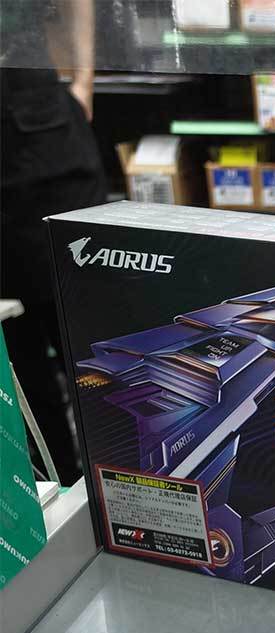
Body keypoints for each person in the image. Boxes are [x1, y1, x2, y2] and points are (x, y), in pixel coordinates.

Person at [1, 0, 108, 482]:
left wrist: (83, 79)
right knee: (15, 344)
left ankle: (114, 481)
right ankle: (55, 483)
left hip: (41, 129)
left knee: (82, 322)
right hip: (36, 122)